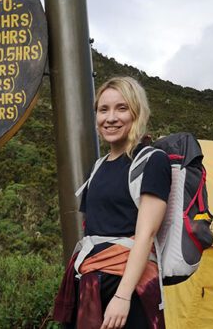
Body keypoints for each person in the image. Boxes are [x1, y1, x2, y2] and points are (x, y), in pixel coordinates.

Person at [53, 77, 171, 329]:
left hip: (127, 287)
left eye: (122, 108)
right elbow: (93, 231)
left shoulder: (151, 160)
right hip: (89, 285)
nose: (111, 118)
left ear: (137, 112)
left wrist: (122, 296)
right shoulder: (96, 167)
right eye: (103, 110)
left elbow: (145, 235)